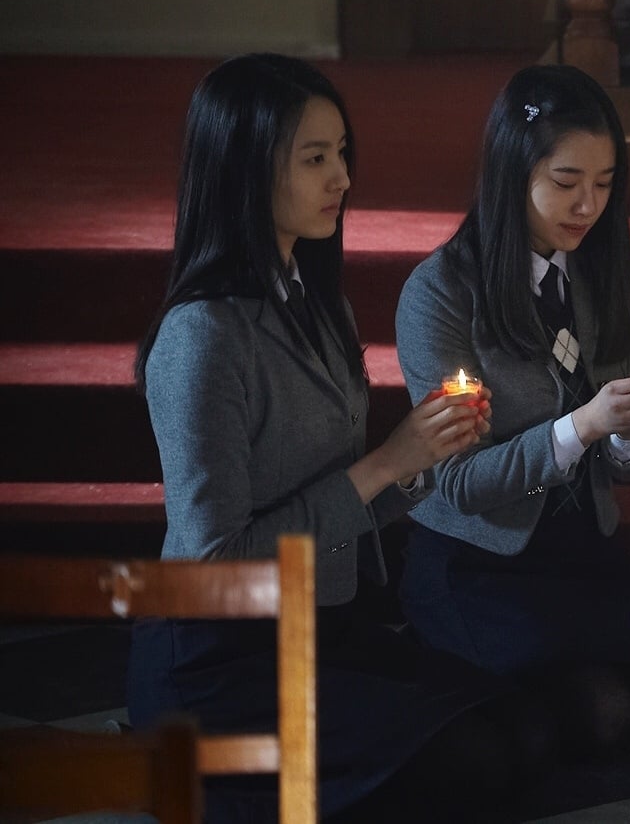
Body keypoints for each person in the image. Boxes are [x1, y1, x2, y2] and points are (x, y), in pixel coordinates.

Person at [130, 53, 549, 823]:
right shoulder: (203, 337)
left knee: (522, 727)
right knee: (473, 761)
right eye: (315, 158)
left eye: (343, 154)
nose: (343, 178)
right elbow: (216, 559)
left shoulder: (319, 303)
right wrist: (389, 460)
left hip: (318, 627)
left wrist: (425, 459)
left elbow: (347, 498)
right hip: (219, 656)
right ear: (246, 169)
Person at [395, 65, 630, 759]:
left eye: (604, 184)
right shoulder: (441, 291)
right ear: (513, 171)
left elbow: (628, 467)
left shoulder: (601, 273)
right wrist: (584, 424)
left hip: (577, 549)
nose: (587, 206)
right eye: (567, 182)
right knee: (603, 711)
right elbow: (458, 483)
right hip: (480, 560)